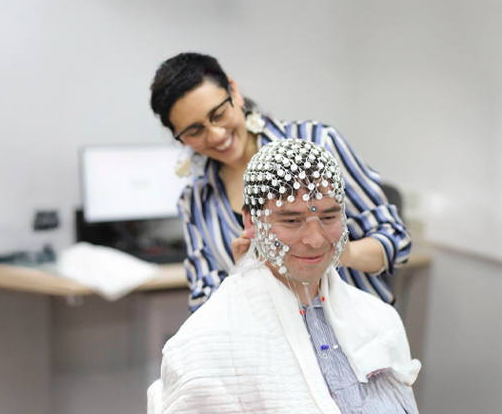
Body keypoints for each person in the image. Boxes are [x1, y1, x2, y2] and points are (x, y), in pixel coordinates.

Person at [148, 138, 420, 414]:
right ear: (251, 222)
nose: (315, 240)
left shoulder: (381, 320)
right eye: (291, 220)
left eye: (328, 218)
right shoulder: (203, 346)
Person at [148, 53, 410, 310]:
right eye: (194, 130)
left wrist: (338, 251)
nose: (216, 135)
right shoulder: (195, 201)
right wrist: (244, 278)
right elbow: (204, 298)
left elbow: (396, 240)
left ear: (234, 92)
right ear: (180, 138)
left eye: (218, 114)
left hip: (352, 331)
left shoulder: (317, 144)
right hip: (268, 343)